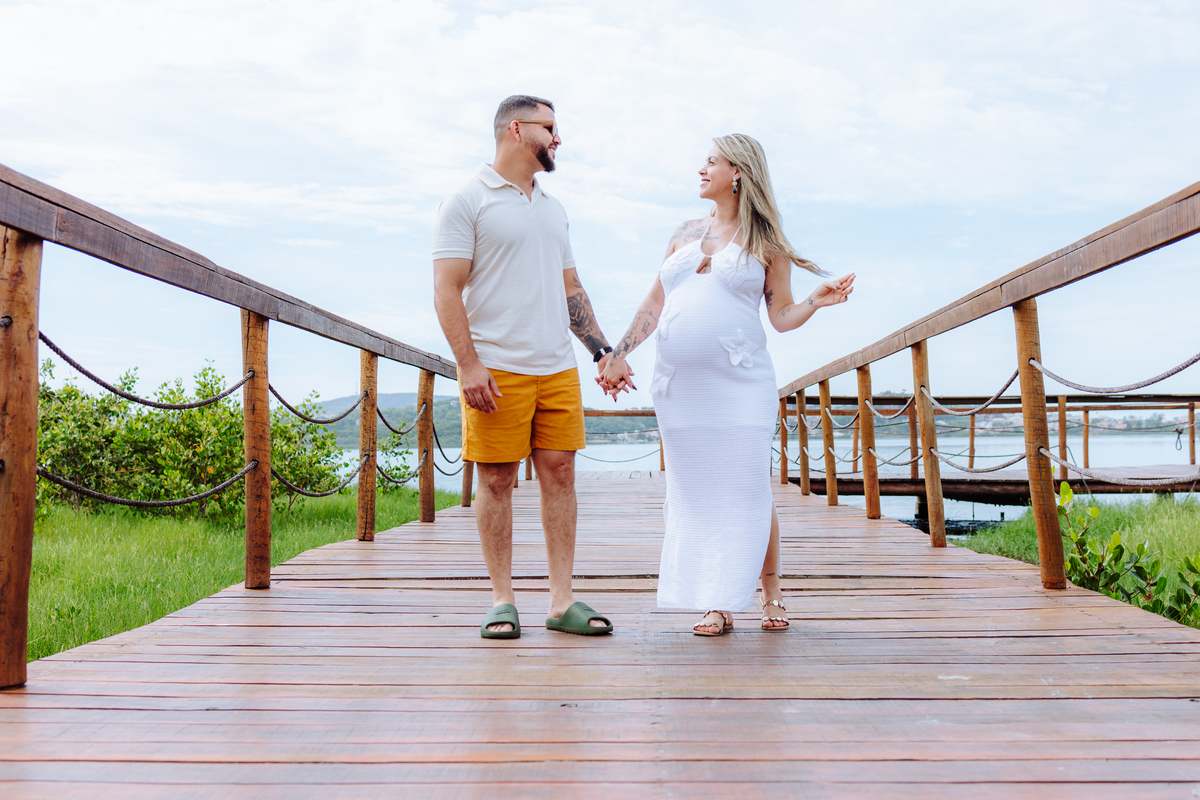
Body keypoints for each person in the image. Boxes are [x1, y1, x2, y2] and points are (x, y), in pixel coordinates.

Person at [600, 134, 854, 636]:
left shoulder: (766, 243)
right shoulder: (683, 233)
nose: (701, 168)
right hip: (679, 389)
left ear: (738, 171)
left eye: (711, 161)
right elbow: (654, 303)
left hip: (740, 386)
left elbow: (780, 317)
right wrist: (619, 352)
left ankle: (770, 590)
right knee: (695, 491)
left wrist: (815, 302)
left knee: (747, 486)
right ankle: (717, 601)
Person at [433, 95, 616, 639]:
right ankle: (502, 600)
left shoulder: (554, 209)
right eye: (549, 127)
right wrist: (468, 364)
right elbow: (446, 288)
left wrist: (601, 351)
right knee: (496, 479)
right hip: (496, 367)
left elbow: (571, 288)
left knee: (561, 474)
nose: (558, 138)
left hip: (556, 366)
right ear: (516, 129)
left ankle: (561, 602)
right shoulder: (467, 200)